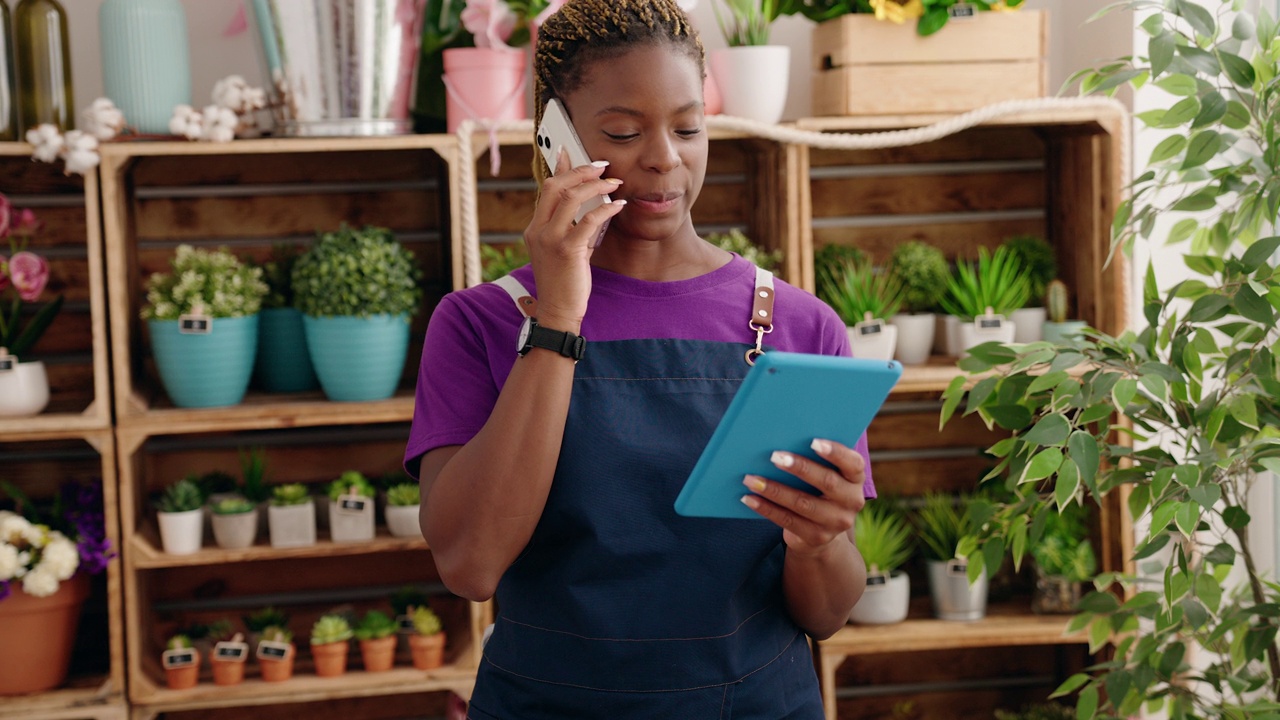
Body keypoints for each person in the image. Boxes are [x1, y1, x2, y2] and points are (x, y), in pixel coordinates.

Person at [405, 1, 875, 716]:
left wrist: (819, 545)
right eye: (624, 131)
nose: (665, 157)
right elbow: (470, 565)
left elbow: (827, 615)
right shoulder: (479, 322)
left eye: (689, 126)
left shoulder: (801, 325)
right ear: (554, 138)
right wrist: (559, 318)